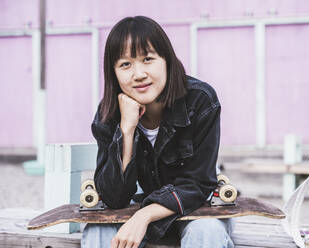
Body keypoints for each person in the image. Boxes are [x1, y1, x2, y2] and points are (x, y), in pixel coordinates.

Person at [81, 16, 234, 248]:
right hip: (137, 206)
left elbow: (198, 184)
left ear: (167, 60)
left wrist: (144, 216)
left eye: (148, 59)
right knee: (99, 232)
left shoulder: (200, 101)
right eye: (125, 64)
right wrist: (127, 128)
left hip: (195, 209)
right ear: (113, 73)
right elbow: (114, 197)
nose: (139, 74)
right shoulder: (108, 113)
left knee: (206, 231)